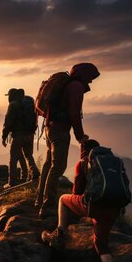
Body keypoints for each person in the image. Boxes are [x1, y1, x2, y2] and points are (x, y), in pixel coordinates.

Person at [41, 140, 121, 262]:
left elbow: (77, 192)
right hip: (114, 208)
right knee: (101, 243)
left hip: (94, 207)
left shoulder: (84, 162)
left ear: (84, 150)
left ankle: (59, 234)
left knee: (63, 200)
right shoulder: (114, 162)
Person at [36, 63, 100, 218]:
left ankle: (39, 199)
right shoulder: (76, 87)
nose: (90, 81)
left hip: (50, 127)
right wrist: (80, 136)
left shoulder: (67, 85)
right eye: (90, 77)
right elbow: (74, 113)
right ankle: (48, 205)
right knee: (58, 166)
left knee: (48, 164)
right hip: (60, 130)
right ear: (83, 74)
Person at [2, 88, 40, 186]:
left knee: (13, 158)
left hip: (18, 135)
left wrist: (4, 136)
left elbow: (8, 122)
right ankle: (34, 172)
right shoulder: (29, 102)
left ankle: (12, 181)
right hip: (30, 134)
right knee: (28, 155)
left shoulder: (13, 104)